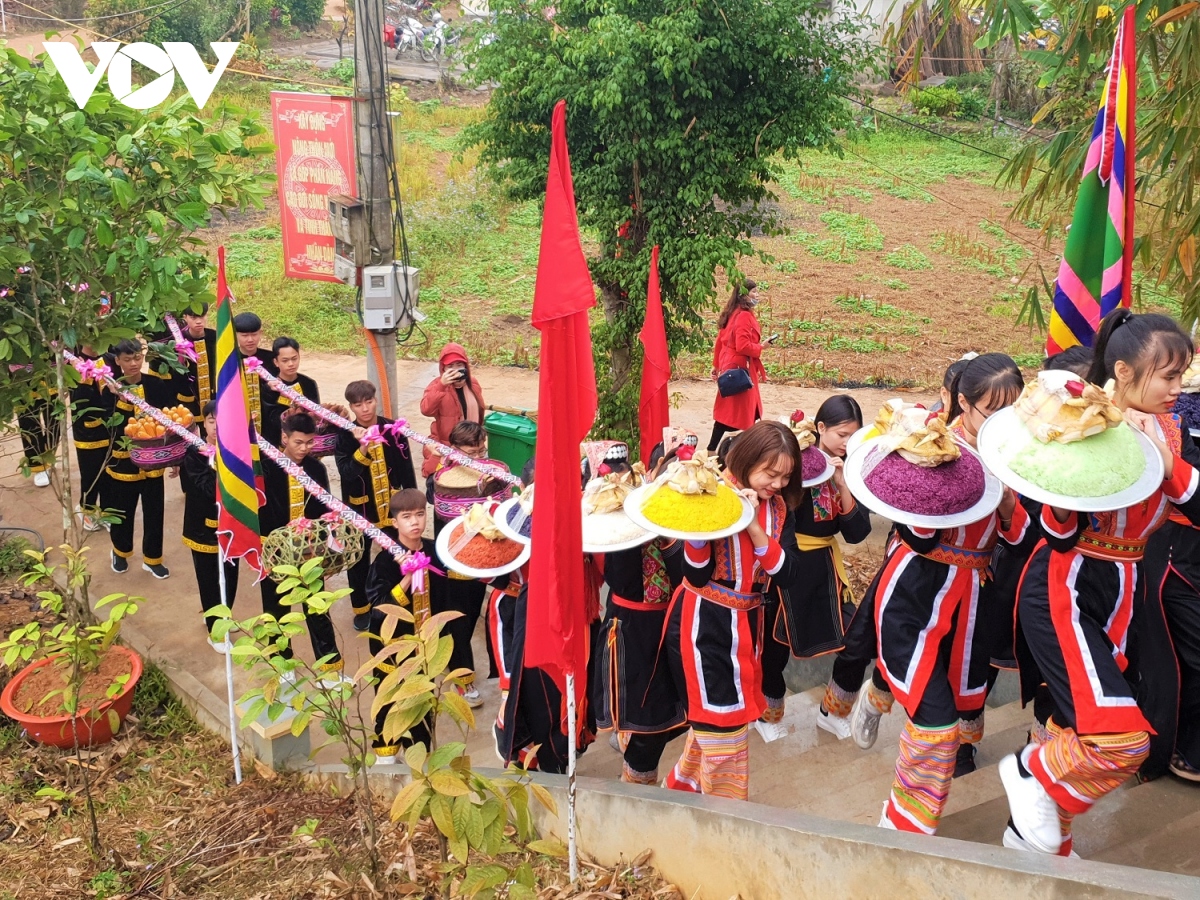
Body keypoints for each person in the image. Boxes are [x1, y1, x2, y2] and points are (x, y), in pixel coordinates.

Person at [1002, 311, 1200, 857]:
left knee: (1078, 726)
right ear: (1124, 371)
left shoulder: (1168, 432)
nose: (1178, 389)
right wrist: (1074, 481)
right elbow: (1056, 533)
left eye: (1182, 375)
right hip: (1067, 587)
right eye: (1169, 376)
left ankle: (1036, 840)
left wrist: (1163, 462)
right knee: (1120, 738)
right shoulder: (1085, 422)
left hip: (1125, 591)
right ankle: (1029, 770)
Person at [872, 354, 1028, 835]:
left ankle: (911, 822)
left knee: (959, 711)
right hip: (915, 595)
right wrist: (939, 495)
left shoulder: (1014, 455)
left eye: (1013, 412)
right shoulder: (933, 445)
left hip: (974, 599)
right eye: (990, 411)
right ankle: (903, 828)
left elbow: (1021, 539)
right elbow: (917, 537)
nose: (1002, 424)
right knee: (935, 721)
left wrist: (1005, 505)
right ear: (963, 402)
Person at [664, 420, 803, 800]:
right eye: (769, 474)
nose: (776, 484)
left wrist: (755, 528)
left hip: (748, 627)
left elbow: (787, 573)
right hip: (703, 627)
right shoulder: (708, 493)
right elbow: (694, 573)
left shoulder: (776, 510)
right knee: (722, 728)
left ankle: (678, 795)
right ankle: (726, 817)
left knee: (725, 725)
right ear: (745, 460)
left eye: (784, 477)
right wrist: (701, 527)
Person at [766, 396, 873, 742]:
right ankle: (767, 715)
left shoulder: (850, 468)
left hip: (828, 568)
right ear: (820, 428)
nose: (846, 443)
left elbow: (857, 533)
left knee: (857, 638)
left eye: (853, 436)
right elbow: (781, 517)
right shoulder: (794, 465)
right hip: (790, 565)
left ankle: (834, 710)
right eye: (841, 434)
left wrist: (843, 484)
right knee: (776, 645)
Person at [592, 441, 688, 784]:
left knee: (674, 712)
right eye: (670, 473)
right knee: (645, 713)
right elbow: (611, 574)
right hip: (630, 628)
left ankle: (641, 766)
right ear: (652, 474)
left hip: (674, 623)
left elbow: (690, 575)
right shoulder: (615, 515)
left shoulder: (686, 518)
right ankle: (636, 783)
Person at [429, 420, 513, 707]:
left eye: (481, 451)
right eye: (471, 453)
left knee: (486, 613)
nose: (478, 458)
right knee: (460, 620)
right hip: (457, 561)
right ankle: (462, 679)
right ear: (455, 450)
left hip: (487, 560)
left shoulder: (493, 474)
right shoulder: (442, 479)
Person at [258, 412, 346, 682]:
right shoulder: (265, 466)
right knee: (276, 610)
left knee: (317, 609)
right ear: (284, 438)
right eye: (299, 442)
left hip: (309, 553)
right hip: (273, 551)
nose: (305, 448)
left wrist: (329, 550)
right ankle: (282, 665)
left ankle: (330, 672)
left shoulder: (316, 469)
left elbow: (325, 513)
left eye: (309, 442)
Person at [365, 488, 449, 760]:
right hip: (393, 647)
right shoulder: (385, 561)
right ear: (394, 522)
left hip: (424, 648)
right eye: (407, 516)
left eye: (420, 514)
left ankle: (421, 760)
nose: (415, 522)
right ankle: (386, 755)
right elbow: (378, 611)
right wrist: (406, 579)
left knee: (423, 703)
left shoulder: (434, 550)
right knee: (389, 702)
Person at [336, 380, 417, 632]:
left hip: (390, 507)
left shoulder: (393, 430)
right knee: (358, 559)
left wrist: (412, 500)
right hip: (360, 510)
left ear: (375, 400)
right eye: (358, 405)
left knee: (396, 554)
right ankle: (361, 608)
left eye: (369, 402)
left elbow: (405, 468)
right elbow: (347, 473)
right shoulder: (345, 435)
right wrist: (362, 449)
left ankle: (395, 600)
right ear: (351, 406)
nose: (365, 409)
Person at [104, 338, 179, 579]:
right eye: (127, 360)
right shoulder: (109, 389)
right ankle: (120, 551)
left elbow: (171, 421)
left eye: (137, 358)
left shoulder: (156, 384)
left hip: (153, 460)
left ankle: (152, 558)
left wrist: (175, 456)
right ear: (118, 361)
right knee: (123, 510)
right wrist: (123, 402)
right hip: (123, 460)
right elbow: (110, 425)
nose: (134, 363)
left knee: (155, 510)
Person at [180, 402, 239, 652]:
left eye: (221, 421)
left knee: (231, 575)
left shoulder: (236, 451)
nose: (216, 427)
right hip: (202, 528)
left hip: (231, 528)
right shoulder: (194, 453)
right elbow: (206, 488)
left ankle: (223, 616)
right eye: (212, 421)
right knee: (209, 580)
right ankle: (215, 631)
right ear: (204, 423)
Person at [708, 280, 766, 453]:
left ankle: (713, 449)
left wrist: (717, 365)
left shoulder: (732, 312)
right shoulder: (744, 316)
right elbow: (743, 346)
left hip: (729, 366)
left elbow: (720, 342)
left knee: (733, 411)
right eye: (754, 291)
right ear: (744, 295)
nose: (757, 295)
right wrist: (761, 347)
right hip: (741, 369)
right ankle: (745, 450)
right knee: (741, 411)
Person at [420, 342, 486, 478]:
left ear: (466, 366)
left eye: (459, 365)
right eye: (450, 366)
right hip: (449, 445)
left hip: (472, 446)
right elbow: (426, 410)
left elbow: (480, 412)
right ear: (443, 369)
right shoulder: (437, 386)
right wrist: (441, 386)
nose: (456, 370)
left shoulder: (473, 384)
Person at [69, 346, 111, 531]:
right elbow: (78, 402)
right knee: (91, 474)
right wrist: (84, 379)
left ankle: (108, 512)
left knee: (109, 472)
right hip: (87, 431)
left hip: (109, 427)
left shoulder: (108, 358)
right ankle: (87, 509)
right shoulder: (74, 364)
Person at [261, 337, 321, 448]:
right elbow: (269, 420)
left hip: (304, 443)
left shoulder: (309, 384)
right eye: (285, 360)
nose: (291, 364)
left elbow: (315, 415)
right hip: (277, 444)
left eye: (294, 359)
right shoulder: (270, 387)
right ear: (276, 362)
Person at [233, 312, 277, 428]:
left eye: (254, 334)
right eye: (244, 336)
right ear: (235, 334)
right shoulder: (230, 360)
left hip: (267, 418)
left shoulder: (271, 359)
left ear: (260, 333)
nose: (250, 339)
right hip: (239, 417)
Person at [175, 304, 217, 417]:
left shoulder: (215, 337)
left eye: (202, 317)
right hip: (189, 394)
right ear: (185, 318)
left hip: (213, 392)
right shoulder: (179, 340)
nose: (199, 321)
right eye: (193, 318)